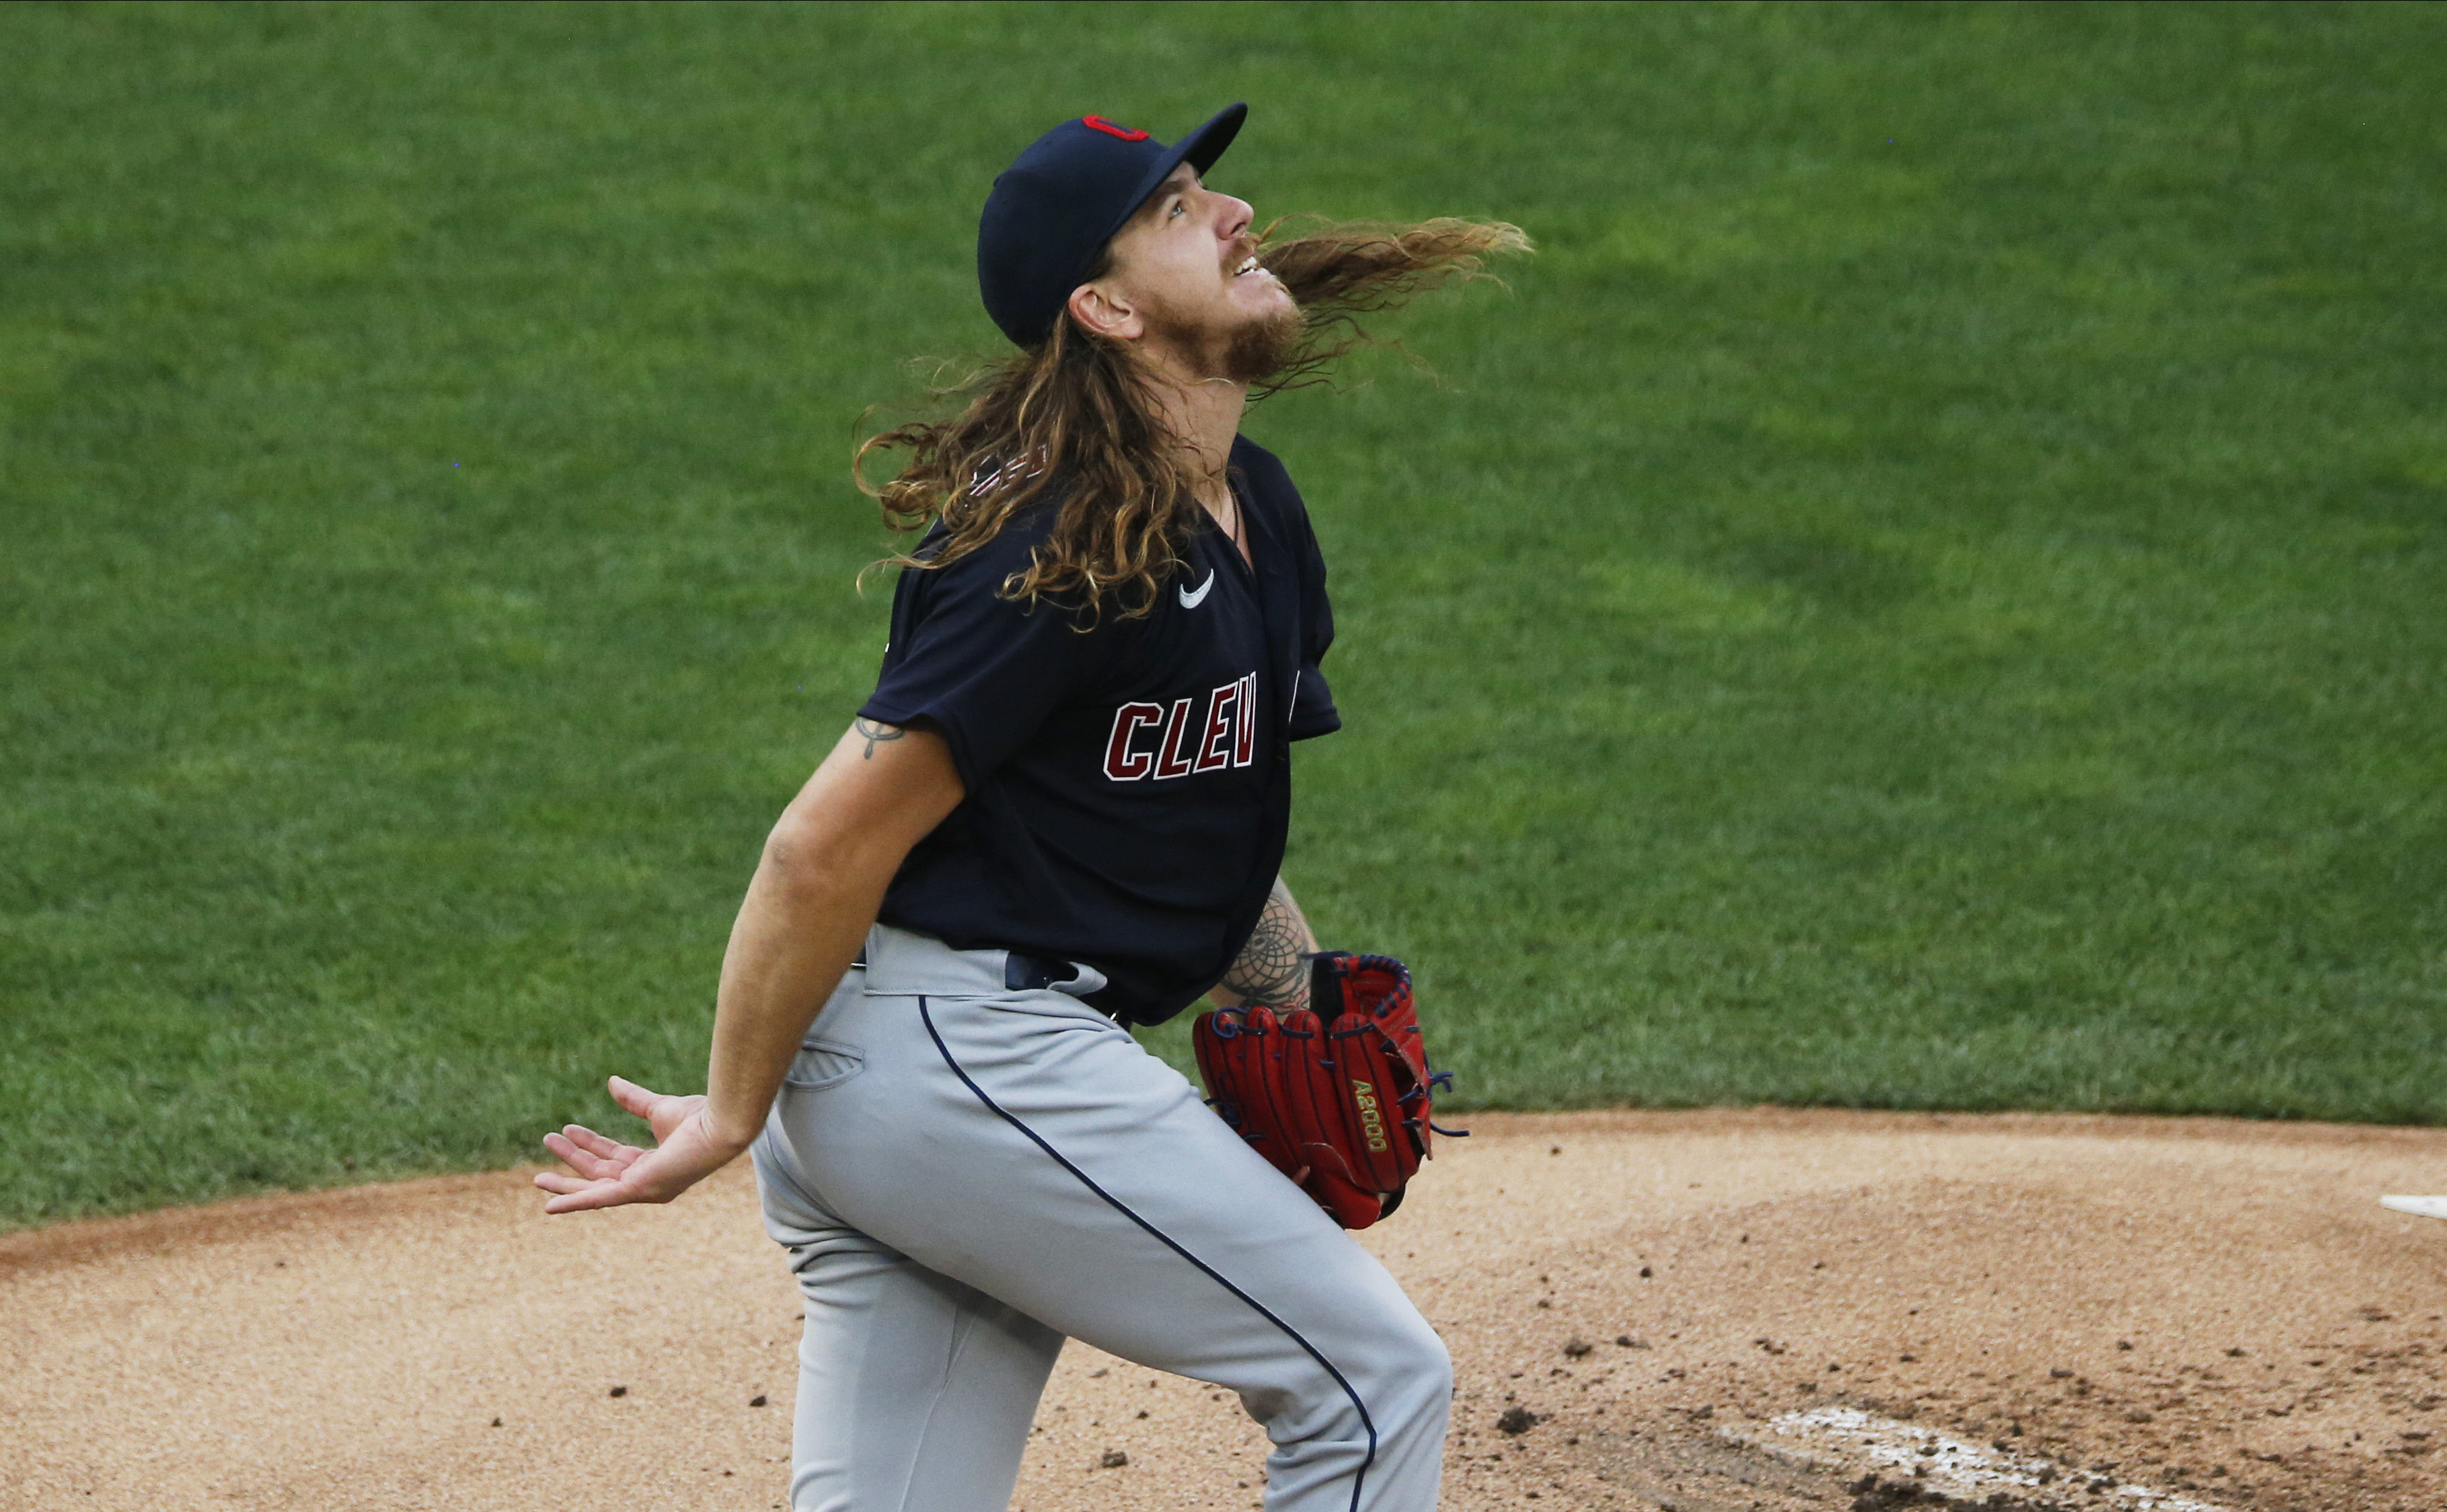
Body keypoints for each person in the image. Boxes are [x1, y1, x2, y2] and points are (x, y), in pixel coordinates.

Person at [533, 104, 1524, 1512]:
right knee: (1372, 1382)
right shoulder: (1058, 544)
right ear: (1105, 306)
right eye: (1179, 208)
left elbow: (1201, 825)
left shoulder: (1249, 504)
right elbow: (823, 843)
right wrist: (730, 1108)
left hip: (915, 1086)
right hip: (961, 1061)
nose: (1237, 212)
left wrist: (1299, 996)